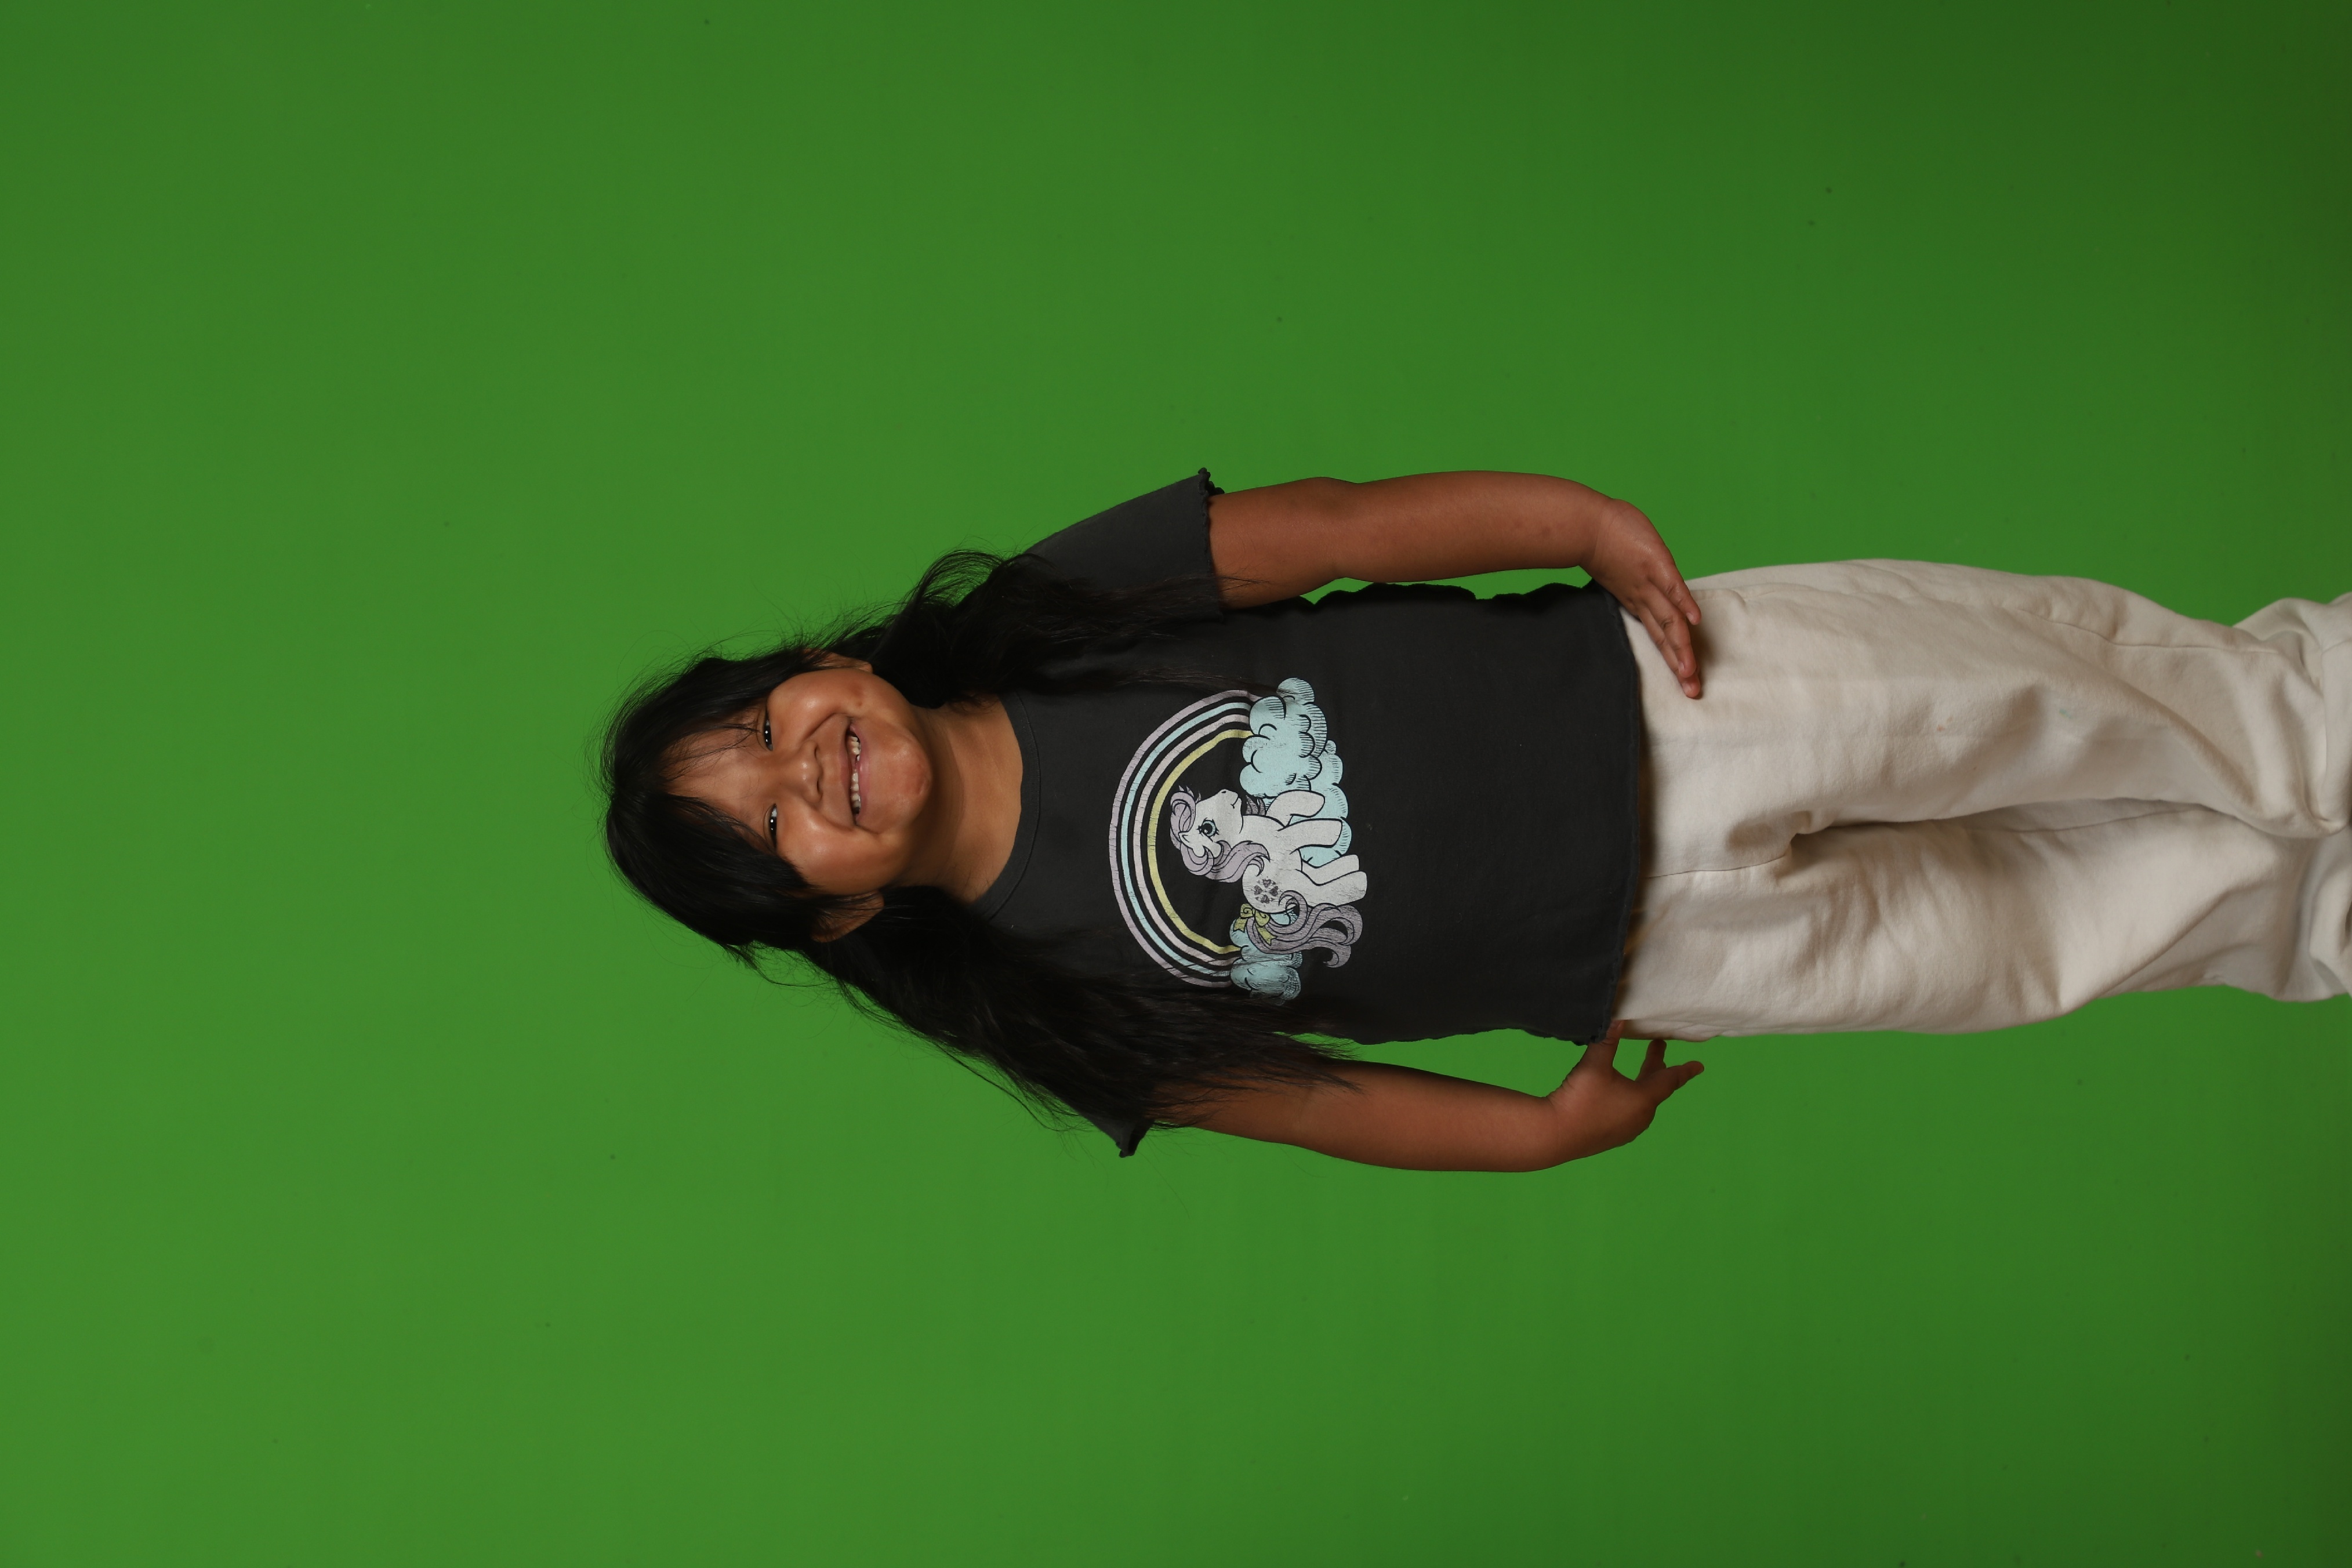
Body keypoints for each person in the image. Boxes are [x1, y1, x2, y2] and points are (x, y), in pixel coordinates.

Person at [601, 471, 2350, 1171]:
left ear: (822, 666)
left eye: (761, 723)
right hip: (1666, 952)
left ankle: (2322, 711)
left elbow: (1329, 530)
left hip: (1674, 696)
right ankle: (2316, 920)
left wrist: (1571, 523)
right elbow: (1314, 1098)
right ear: (834, 916)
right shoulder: (1050, 1001)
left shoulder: (1052, 616)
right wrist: (1536, 1134)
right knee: (2043, 940)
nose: (797, 767)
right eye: (770, 828)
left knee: (2071, 693)